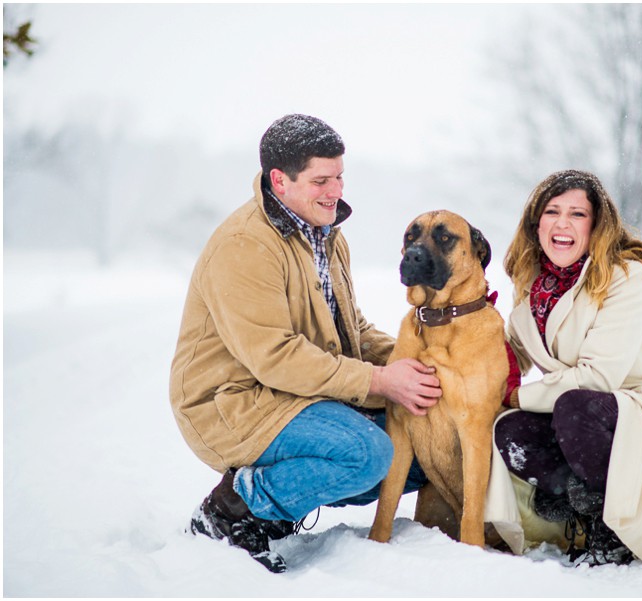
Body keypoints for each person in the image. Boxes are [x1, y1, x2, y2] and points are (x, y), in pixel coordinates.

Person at [169, 114, 442, 572]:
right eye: (321, 180)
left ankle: (279, 505)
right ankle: (233, 510)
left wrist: (424, 360)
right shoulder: (245, 245)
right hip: (233, 404)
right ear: (280, 179)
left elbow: (352, 331)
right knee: (368, 453)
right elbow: (274, 357)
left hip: (297, 396)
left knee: (420, 443)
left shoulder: (327, 235)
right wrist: (379, 381)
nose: (335, 191)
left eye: (339, 177)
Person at [490, 169, 642, 566]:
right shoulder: (531, 284)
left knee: (574, 406)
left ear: (596, 225)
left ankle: (615, 534)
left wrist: (518, 395)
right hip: (574, 416)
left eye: (577, 214)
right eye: (552, 211)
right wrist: (475, 330)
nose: (562, 223)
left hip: (635, 413)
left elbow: (597, 378)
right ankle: (580, 508)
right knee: (510, 429)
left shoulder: (624, 276)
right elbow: (513, 354)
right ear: (536, 222)